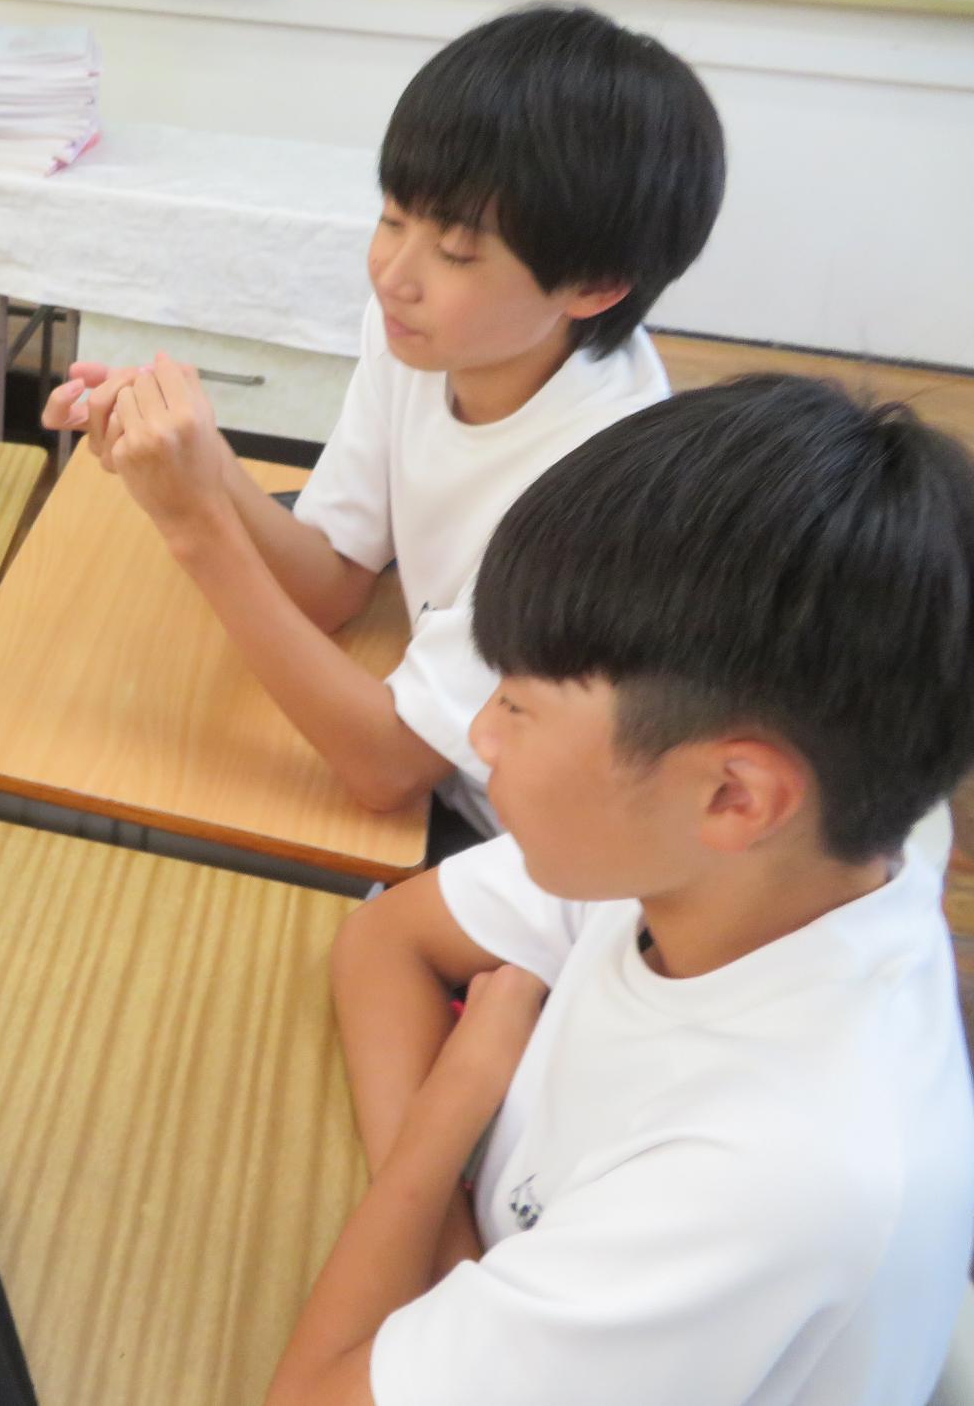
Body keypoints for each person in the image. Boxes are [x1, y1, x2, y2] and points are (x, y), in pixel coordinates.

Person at [266, 375, 974, 1405]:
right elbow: (385, 942)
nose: (480, 736)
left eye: (517, 706)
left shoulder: (763, 1185)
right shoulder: (784, 852)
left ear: (734, 795)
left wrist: (445, 1115)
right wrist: (461, 1272)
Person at [46, 5, 725, 842]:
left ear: (593, 287)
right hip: (444, 766)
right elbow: (333, 580)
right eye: (393, 217)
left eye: (457, 252)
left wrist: (194, 523)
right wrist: (199, 458)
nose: (393, 276)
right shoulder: (427, 336)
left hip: (536, 844)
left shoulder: (603, 489)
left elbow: (386, 767)